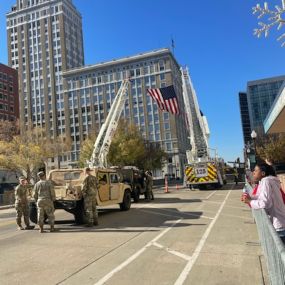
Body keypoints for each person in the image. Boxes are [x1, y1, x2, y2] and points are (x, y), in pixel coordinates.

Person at [242, 163, 285, 243]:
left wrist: (250, 201)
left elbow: (265, 203)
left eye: (255, 170)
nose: (253, 172)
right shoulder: (266, 181)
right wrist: (250, 198)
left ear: (263, 173)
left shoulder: (266, 181)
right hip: (280, 223)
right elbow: (259, 196)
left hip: (278, 225)